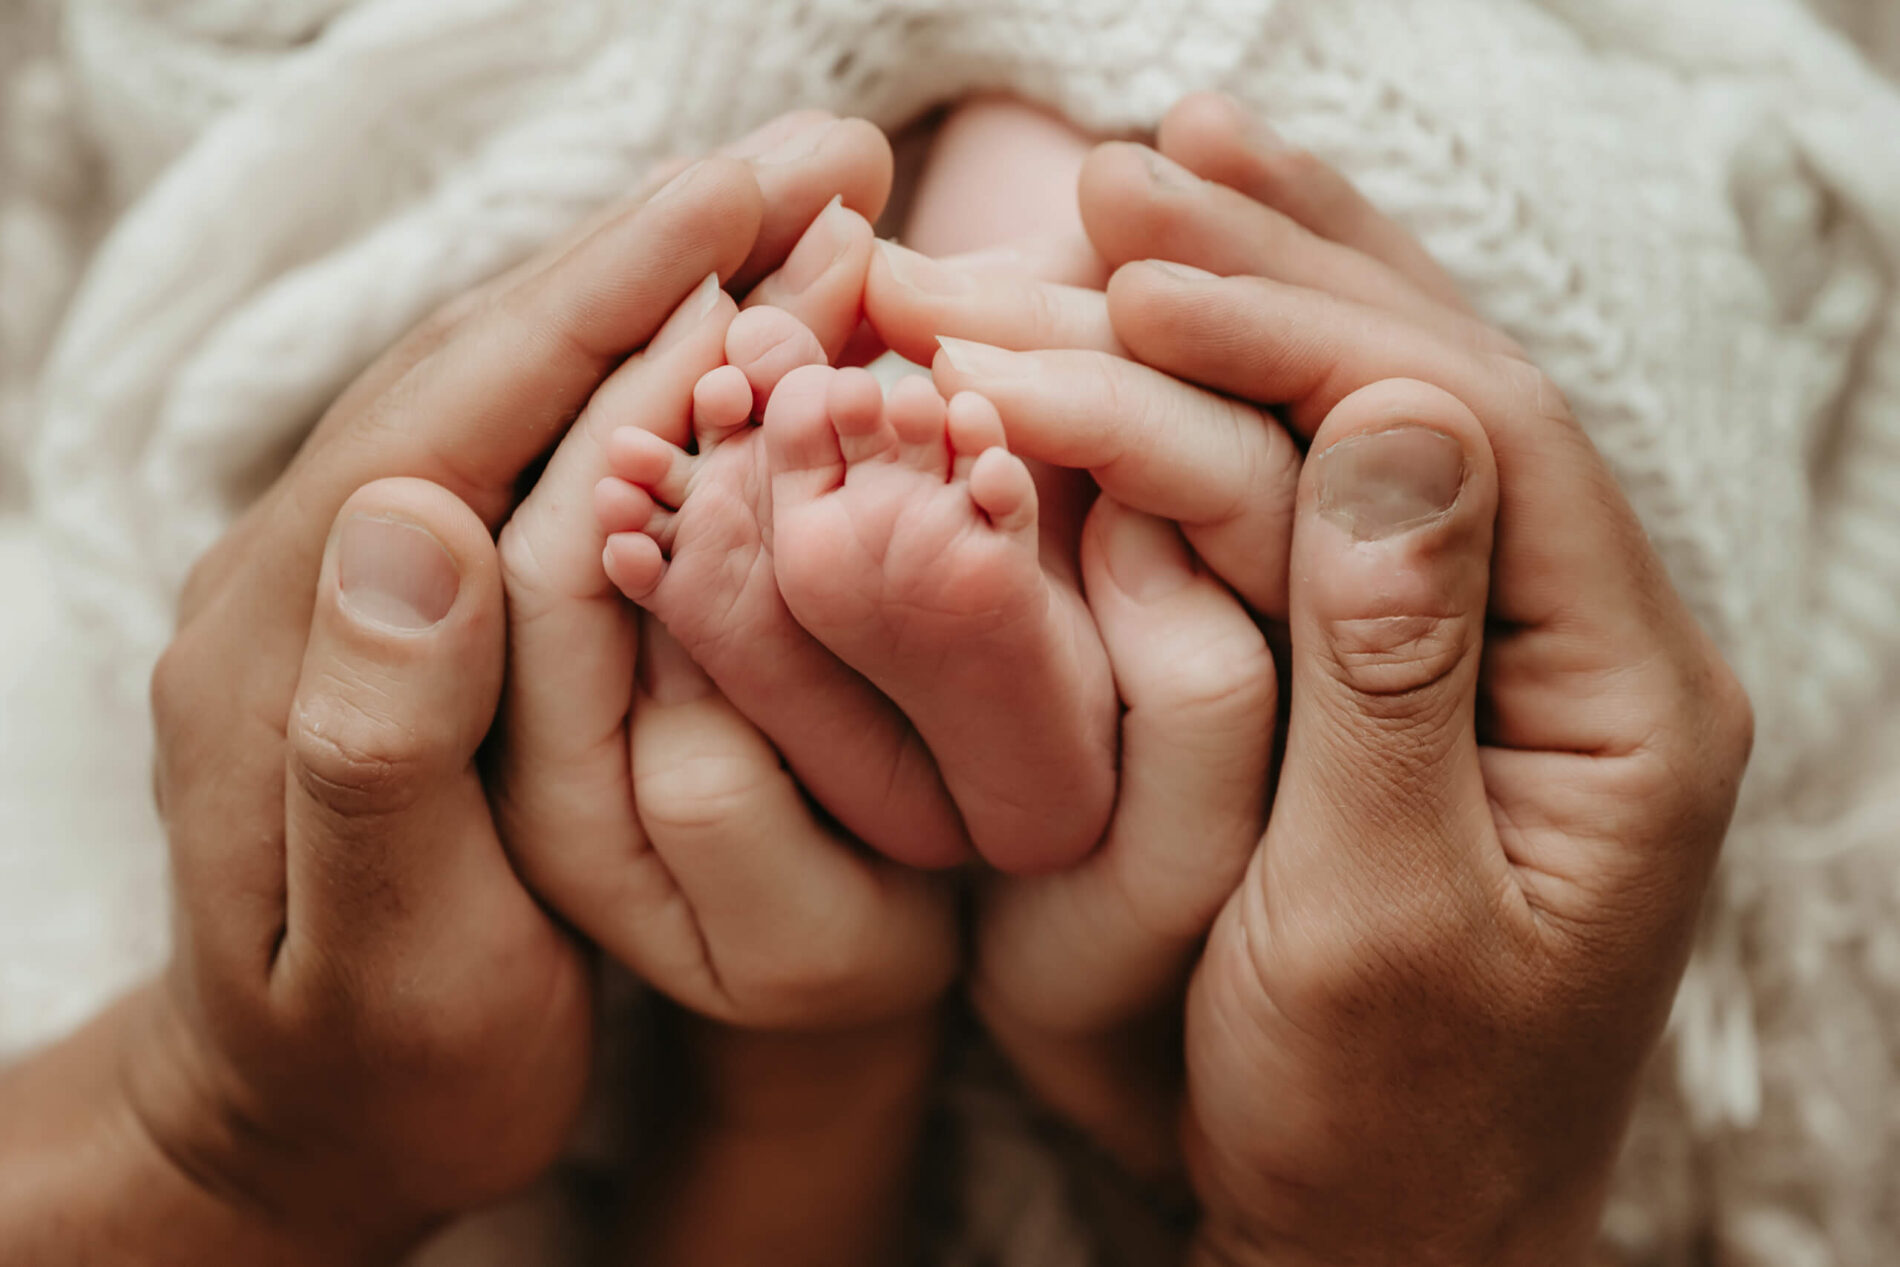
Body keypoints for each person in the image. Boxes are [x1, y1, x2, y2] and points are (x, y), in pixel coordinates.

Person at [0, 96, 1751, 1267]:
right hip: (1225, 695)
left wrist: (230, 1149)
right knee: (1116, 291)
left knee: (1011, 317)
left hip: (822, 730)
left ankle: (967, 650)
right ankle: (1014, 637)